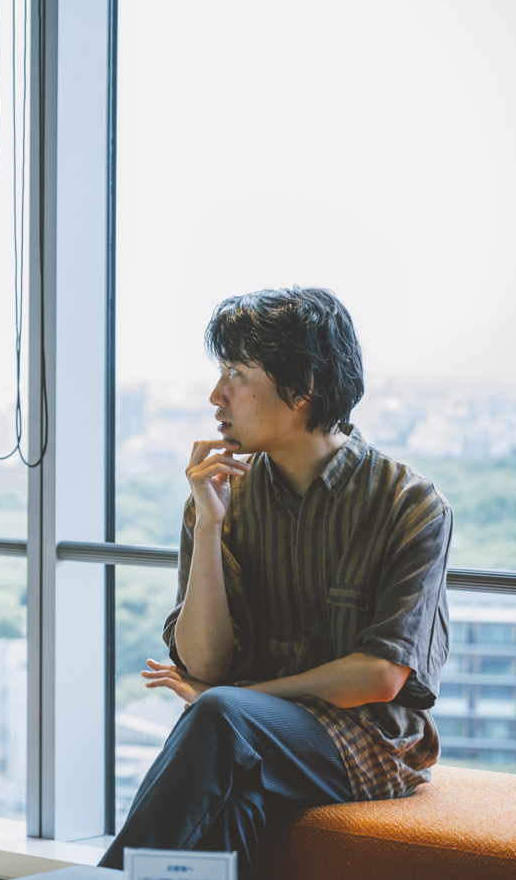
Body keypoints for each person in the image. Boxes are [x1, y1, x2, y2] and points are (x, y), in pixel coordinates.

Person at [100, 287, 451, 878]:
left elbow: (381, 676)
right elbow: (206, 664)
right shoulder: (222, 498)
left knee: (219, 717)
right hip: (244, 734)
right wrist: (208, 527)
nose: (216, 395)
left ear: (302, 387)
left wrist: (242, 698)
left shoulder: (407, 503)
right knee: (230, 801)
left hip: (370, 741)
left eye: (236, 374)